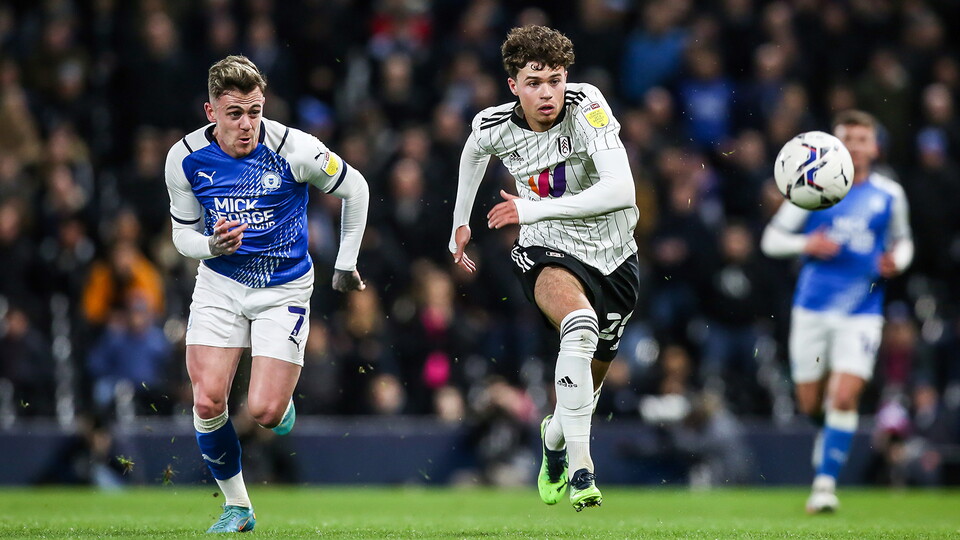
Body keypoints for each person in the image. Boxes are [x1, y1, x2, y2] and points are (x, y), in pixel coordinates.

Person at [164, 55, 368, 533]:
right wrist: (210, 245)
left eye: (254, 111)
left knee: (264, 411)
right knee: (209, 400)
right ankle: (239, 506)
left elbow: (355, 188)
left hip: (284, 289)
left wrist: (345, 263)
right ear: (210, 111)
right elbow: (182, 236)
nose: (247, 124)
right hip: (220, 282)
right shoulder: (186, 157)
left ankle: (281, 403)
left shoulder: (293, 148)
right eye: (234, 113)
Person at [448, 26, 639, 512]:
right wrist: (460, 221)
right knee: (578, 325)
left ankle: (554, 442)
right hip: (546, 247)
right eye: (534, 82)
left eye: (555, 79)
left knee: (587, 387)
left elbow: (622, 191)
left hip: (615, 254)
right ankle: (582, 469)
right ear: (513, 84)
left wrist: (530, 209)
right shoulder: (492, 124)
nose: (547, 92)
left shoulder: (588, 107)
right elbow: (473, 153)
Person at [761, 110, 913, 513]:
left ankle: (824, 485)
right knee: (811, 403)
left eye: (863, 139)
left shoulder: (889, 195)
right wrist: (805, 246)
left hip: (862, 310)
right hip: (811, 308)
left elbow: (904, 241)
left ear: (875, 146)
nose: (856, 146)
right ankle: (826, 437)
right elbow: (771, 239)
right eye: (848, 138)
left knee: (844, 397)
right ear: (836, 144)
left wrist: (897, 259)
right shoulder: (814, 187)